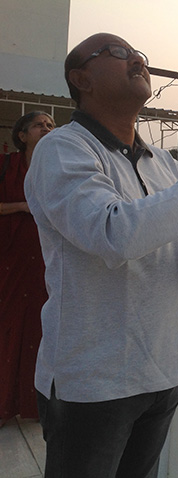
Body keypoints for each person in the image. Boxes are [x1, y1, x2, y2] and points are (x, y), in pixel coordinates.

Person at [24, 33, 178, 478]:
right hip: (94, 380)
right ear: (81, 78)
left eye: (140, 55)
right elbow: (113, 233)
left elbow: (162, 240)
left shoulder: (161, 161)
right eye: (119, 53)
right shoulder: (62, 149)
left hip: (161, 370)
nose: (137, 61)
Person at [0, 111, 55, 427]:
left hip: (44, 264)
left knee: (40, 330)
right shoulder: (6, 166)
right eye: (40, 125)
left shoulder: (58, 171)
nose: (47, 128)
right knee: (6, 329)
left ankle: (32, 405)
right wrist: (22, 206)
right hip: (8, 262)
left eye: (51, 125)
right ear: (22, 135)